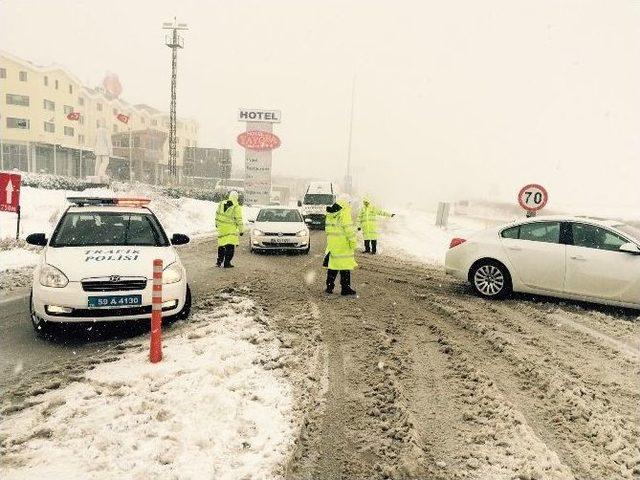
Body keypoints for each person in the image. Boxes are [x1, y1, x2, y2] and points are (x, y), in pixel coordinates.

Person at [324, 197, 357, 295]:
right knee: (345, 267)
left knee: (333, 266)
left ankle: (329, 287)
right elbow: (349, 231)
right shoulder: (344, 214)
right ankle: (345, 288)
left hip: (333, 245)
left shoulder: (330, 216)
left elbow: (327, 230)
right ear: (345, 205)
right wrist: (353, 243)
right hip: (343, 246)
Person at [215, 191, 243, 268]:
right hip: (230, 230)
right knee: (230, 248)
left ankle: (219, 261)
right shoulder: (236, 207)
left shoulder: (221, 204)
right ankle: (227, 263)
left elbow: (217, 214)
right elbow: (239, 219)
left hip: (221, 229)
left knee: (221, 246)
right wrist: (241, 230)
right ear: (237, 197)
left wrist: (216, 223)